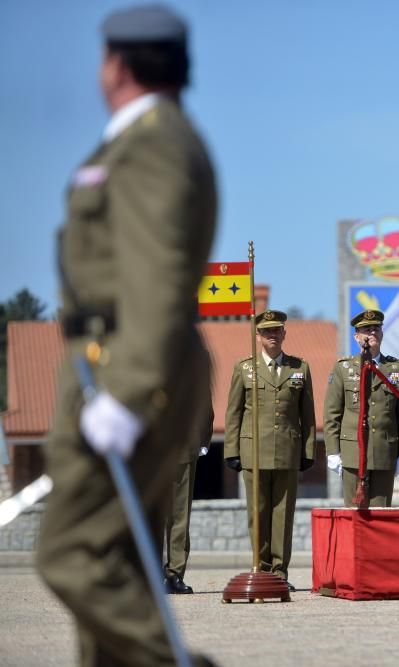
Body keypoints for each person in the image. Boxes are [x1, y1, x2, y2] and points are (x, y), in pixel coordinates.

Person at [35, 5, 218, 665]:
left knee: (70, 549)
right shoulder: (142, 138)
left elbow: (160, 275)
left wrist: (129, 391)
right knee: (114, 560)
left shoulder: (154, 143)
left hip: (125, 366)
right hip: (109, 361)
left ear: (116, 65)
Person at [224, 309, 315, 590]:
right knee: (258, 514)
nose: (272, 336)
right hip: (254, 451)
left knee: (283, 515)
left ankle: (279, 571)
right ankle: (260, 567)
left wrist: (308, 451)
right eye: (266, 332)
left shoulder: (299, 368)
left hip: (288, 450)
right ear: (258, 336)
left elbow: (307, 415)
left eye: (276, 331)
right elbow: (233, 412)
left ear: (284, 334)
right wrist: (232, 451)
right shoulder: (244, 368)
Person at [325, 310, 399, 507]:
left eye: (376, 329)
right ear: (357, 337)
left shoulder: (397, 369)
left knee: (381, 515)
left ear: (382, 334)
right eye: (366, 330)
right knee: (354, 512)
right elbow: (332, 413)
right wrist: (333, 452)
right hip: (352, 452)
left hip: (384, 451)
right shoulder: (343, 368)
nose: (371, 333)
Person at [163, 402, 213, 594]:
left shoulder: (190, 370)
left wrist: (201, 441)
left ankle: (174, 573)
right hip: (147, 451)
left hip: (181, 447)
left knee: (179, 515)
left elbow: (205, 408)